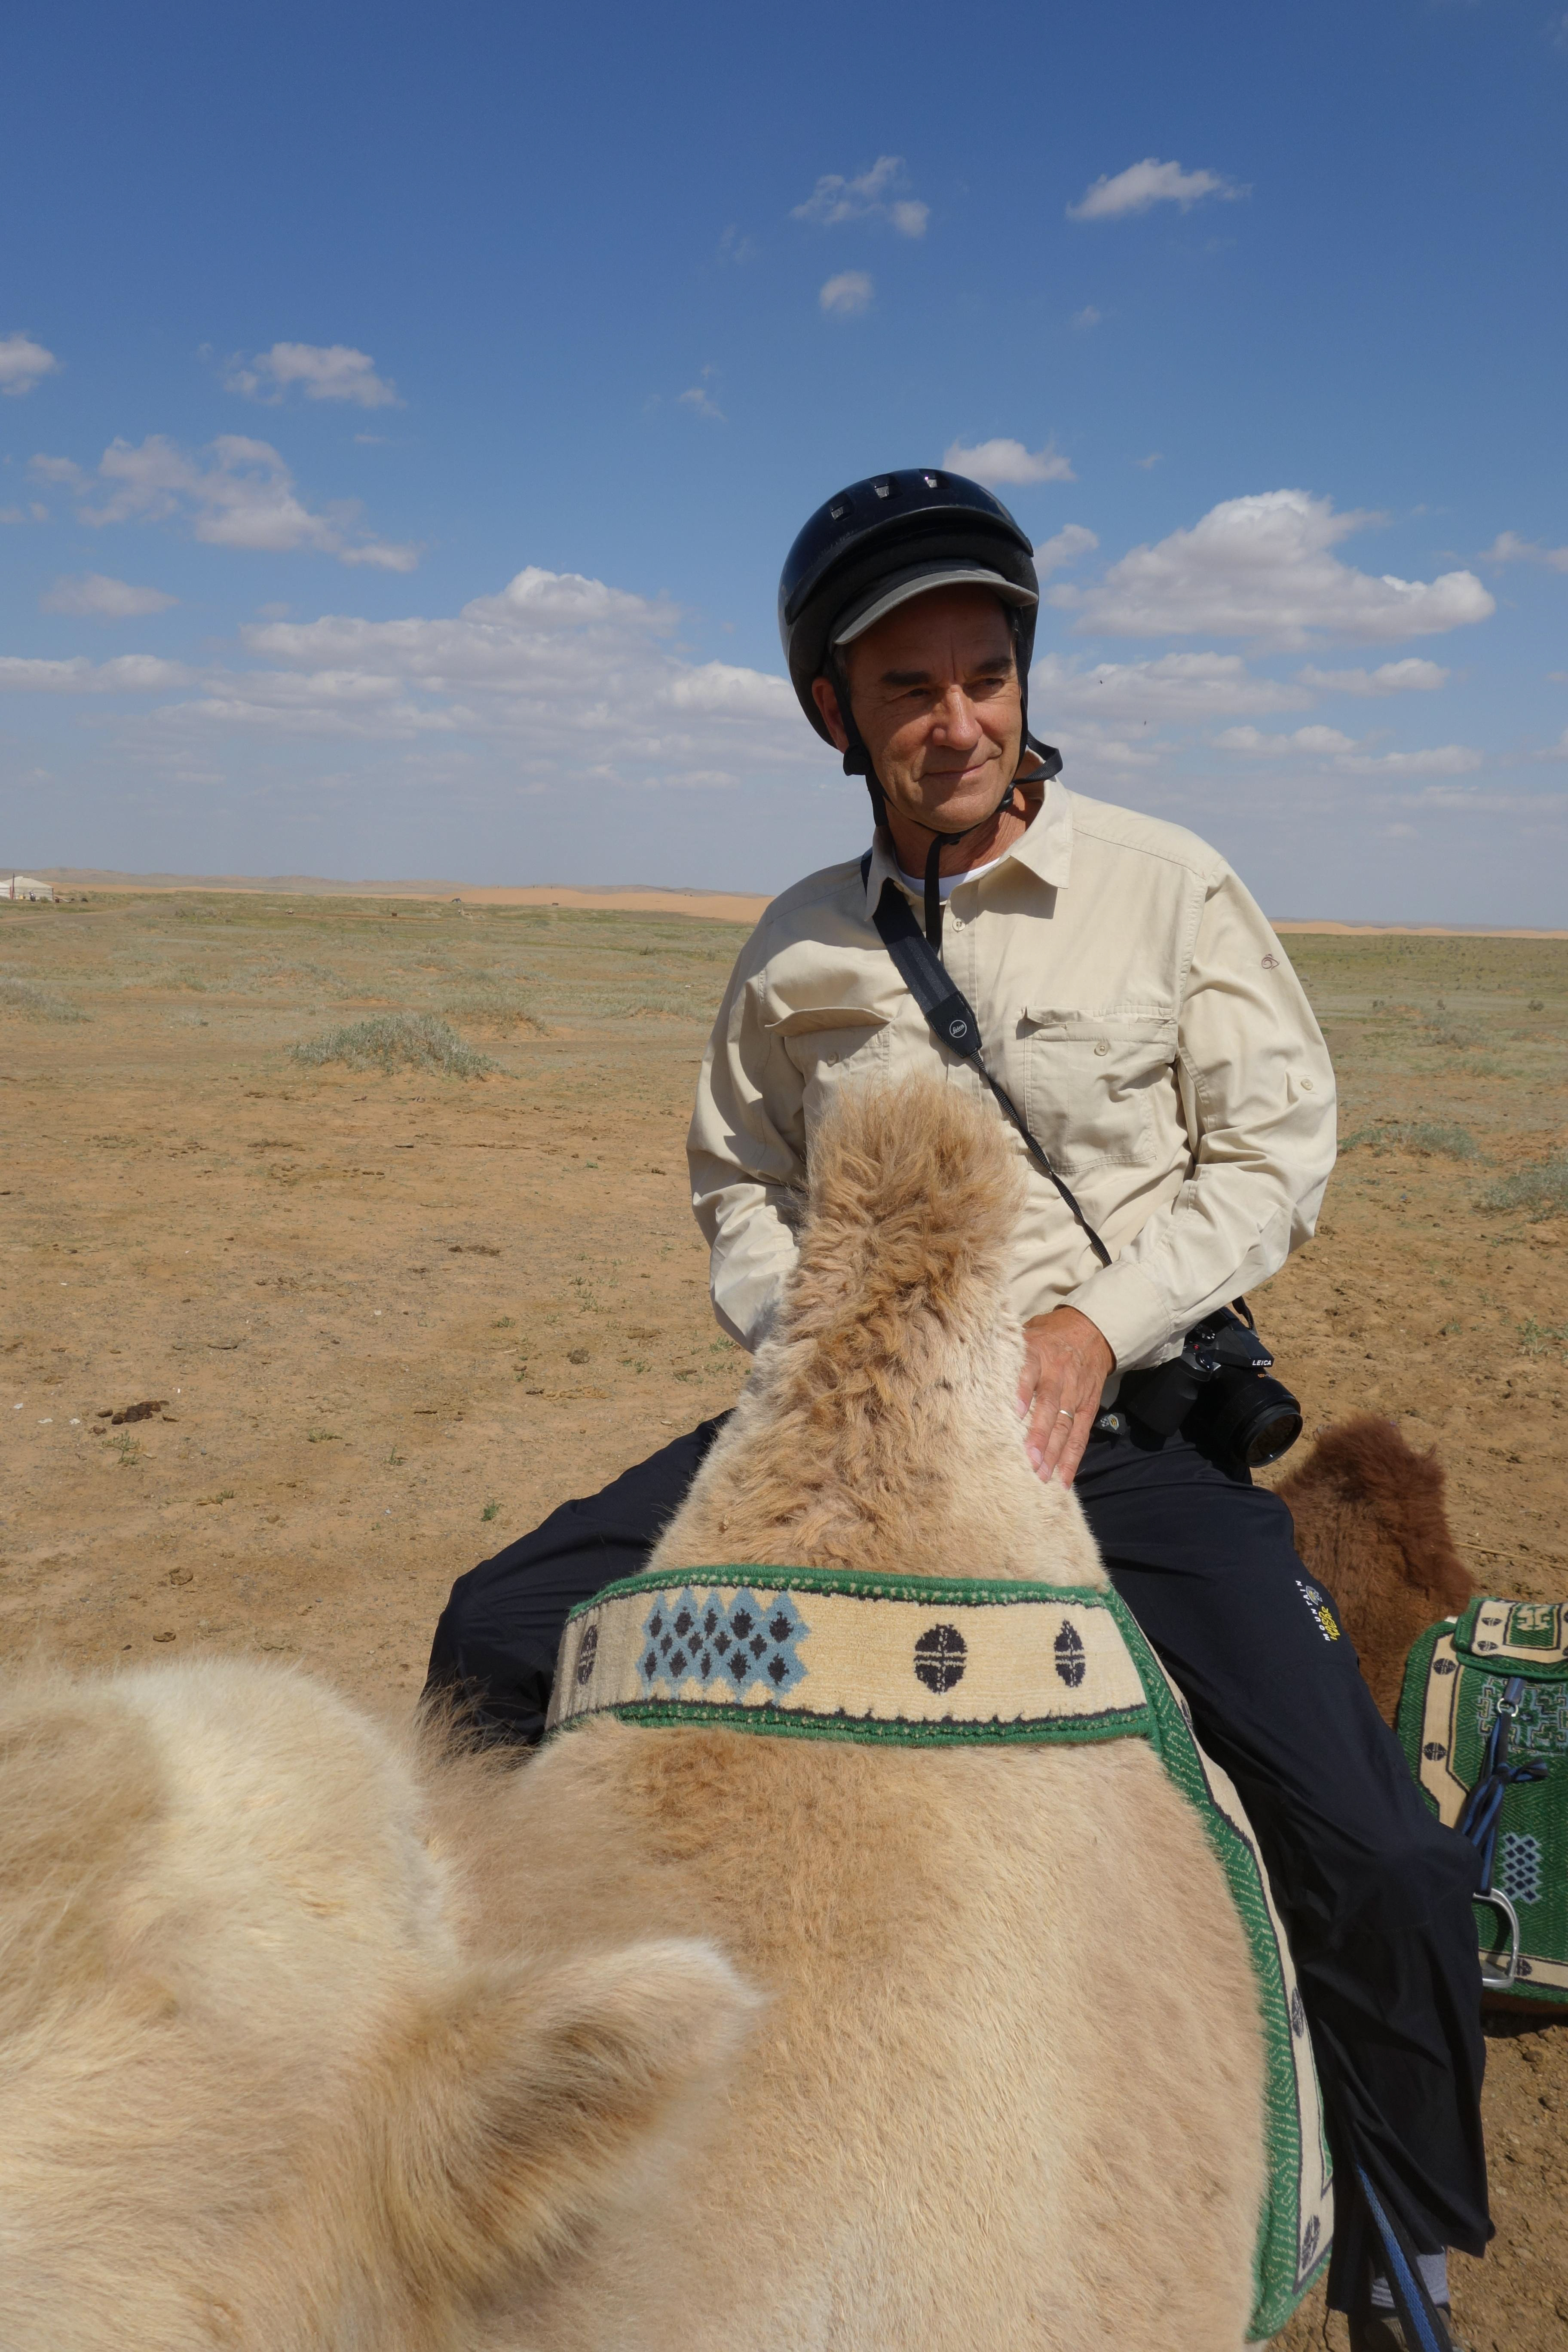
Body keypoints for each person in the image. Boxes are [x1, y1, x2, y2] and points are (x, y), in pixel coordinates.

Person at [426, 469, 1489, 2345]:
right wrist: (813, 1336)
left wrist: (1094, 1327)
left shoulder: (1166, 888)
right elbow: (738, 1178)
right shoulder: (798, 949)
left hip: (1117, 1433)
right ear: (834, 714)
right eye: (906, 688)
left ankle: (1404, 2244)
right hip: (850, 1420)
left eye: (984, 675)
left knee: (1381, 1854)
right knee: (494, 1634)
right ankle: (535, 2097)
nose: (956, 721)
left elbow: (1274, 1154)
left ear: (1024, 679)